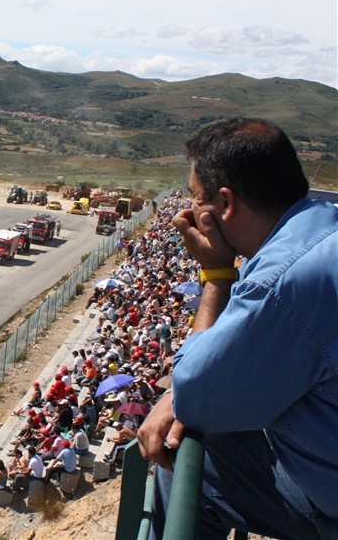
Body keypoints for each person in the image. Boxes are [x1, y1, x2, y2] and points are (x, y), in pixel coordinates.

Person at [137, 118, 338, 538]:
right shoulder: (321, 227)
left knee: (183, 460)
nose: (188, 214)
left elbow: (196, 392)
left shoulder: (284, 280)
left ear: (224, 205)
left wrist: (214, 274)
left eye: (195, 199)